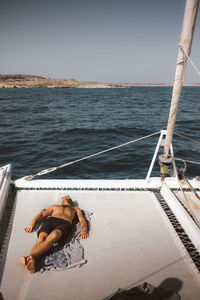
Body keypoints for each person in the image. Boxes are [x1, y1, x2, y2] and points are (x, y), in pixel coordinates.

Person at [20, 195, 88, 274]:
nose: (65, 197)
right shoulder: (55, 206)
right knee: (41, 239)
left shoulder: (75, 209)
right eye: (64, 197)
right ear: (61, 201)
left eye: (68, 197)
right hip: (50, 221)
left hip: (64, 223)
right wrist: (32, 224)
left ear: (71, 201)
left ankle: (30, 258)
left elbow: (81, 219)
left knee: (55, 235)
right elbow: (43, 214)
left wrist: (84, 229)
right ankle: (31, 263)